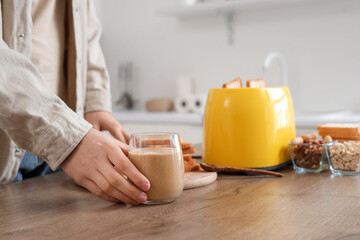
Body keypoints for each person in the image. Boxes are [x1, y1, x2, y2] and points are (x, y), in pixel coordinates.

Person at [0, 0, 150, 205]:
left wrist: (94, 101)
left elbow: (86, 31)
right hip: (14, 138)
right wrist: (66, 138)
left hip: (63, 136)